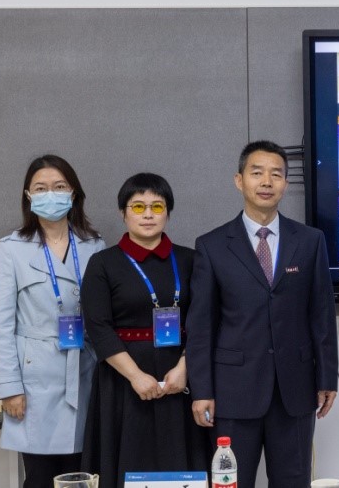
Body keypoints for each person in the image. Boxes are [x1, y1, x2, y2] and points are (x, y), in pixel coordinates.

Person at [187, 140, 339, 486]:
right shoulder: (212, 246)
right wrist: (201, 389)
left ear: (286, 183)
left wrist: (327, 376)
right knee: (231, 483)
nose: (267, 182)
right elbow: (201, 326)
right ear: (239, 180)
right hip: (232, 392)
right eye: (257, 173)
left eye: (276, 174)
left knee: (293, 480)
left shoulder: (310, 241)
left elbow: (321, 315)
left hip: (295, 390)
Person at [81, 173, 208, 486]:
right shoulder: (102, 263)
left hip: (181, 376)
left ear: (168, 212)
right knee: (129, 462)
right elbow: (98, 326)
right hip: (123, 379)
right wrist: (136, 376)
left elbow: (204, 320)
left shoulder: (191, 260)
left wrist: (185, 368)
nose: (148, 214)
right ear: (123, 213)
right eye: (138, 207)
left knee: (180, 462)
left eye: (157, 206)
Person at [0, 155, 105, 488]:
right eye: (41, 188)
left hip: (85, 372)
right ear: (28, 195)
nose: (50, 194)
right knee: (40, 477)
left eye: (59, 186)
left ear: (73, 193)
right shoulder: (12, 248)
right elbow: (1, 326)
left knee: (84, 475)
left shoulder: (94, 245)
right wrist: (9, 387)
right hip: (34, 382)